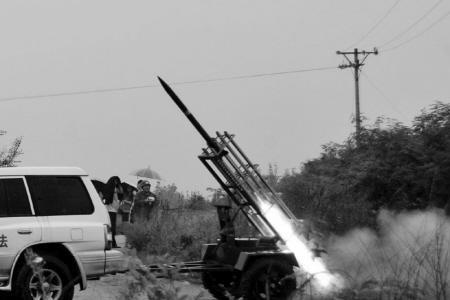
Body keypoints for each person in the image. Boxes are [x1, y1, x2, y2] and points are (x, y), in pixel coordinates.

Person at [103, 176, 123, 248]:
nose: (116, 183)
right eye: (115, 181)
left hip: (109, 210)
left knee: (110, 227)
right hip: (112, 210)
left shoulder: (108, 189)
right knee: (112, 228)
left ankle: (112, 243)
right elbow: (118, 198)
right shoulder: (114, 189)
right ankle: (114, 244)